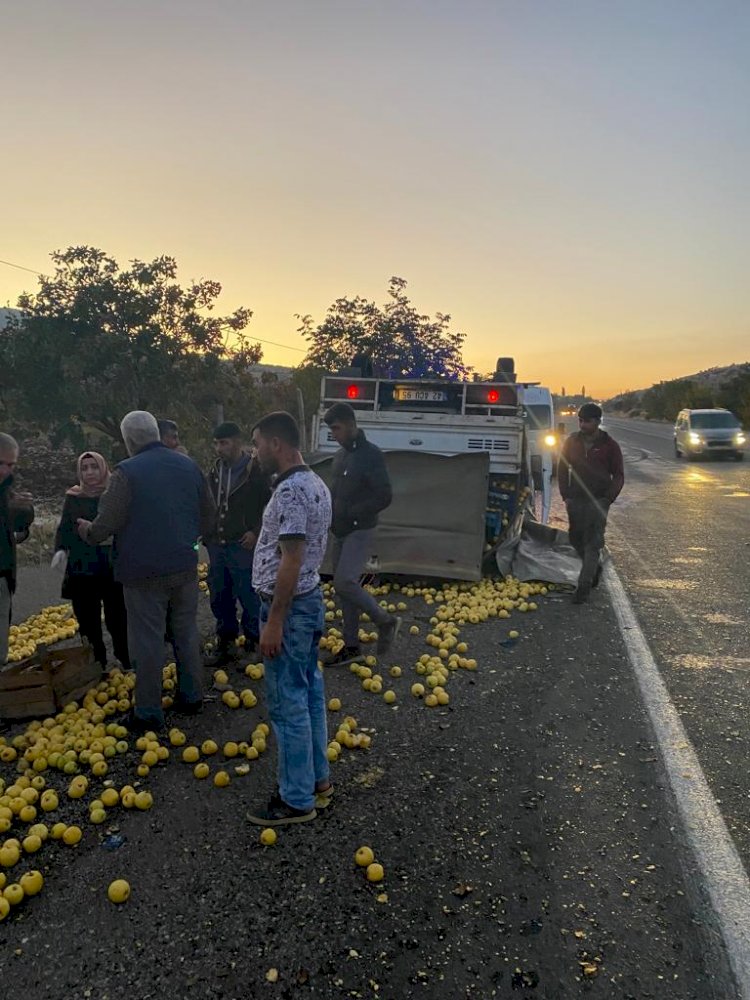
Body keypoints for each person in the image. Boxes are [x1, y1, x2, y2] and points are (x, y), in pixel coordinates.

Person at [77, 411, 216, 732]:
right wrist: (189, 540)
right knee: (185, 629)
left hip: (142, 574)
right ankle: (192, 695)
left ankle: (149, 711)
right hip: (184, 566)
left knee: (148, 640)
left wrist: (87, 529)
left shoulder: (126, 473)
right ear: (156, 432)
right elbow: (208, 518)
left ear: (128, 441)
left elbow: (105, 525)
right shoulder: (189, 465)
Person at [247, 411, 332, 827]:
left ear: (276, 444)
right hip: (308, 602)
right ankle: (318, 782)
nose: (255, 451)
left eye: (258, 443)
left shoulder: (291, 492)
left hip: (292, 608)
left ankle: (296, 799)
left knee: (287, 704)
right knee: (309, 693)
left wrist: (274, 621)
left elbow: (292, 559)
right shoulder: (314, 482)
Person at [322, 402, 399, 665]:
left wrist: (354, 512)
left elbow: (384, 495)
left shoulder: (371, 455)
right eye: (331, 429)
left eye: (337, 428)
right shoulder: (341, 455)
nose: (334, 434)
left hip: (360, 528)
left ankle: (386, 621)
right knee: (343, 588)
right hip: (340, 529)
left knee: (345, 582)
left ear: (352, 425)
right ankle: (351, 646)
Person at [52, 452, 130, 670]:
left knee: (119, 618)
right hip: (82, 568)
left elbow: (124, 524)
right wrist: (60, 550)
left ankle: (126, 658)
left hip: (112, 567)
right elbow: (65, 527)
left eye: (94, 467)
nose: (89, 473)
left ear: (103, 468)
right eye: (84, 468)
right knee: (87, 621)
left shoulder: (114, 495)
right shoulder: (74, 496)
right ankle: (97, 663)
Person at [205, 421, 270, 664]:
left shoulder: (256, 471)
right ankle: (226, 640)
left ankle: (254, 642)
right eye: (216, 444)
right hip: (217, 542)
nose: (219, 449)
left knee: (248, 593)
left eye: (224, 443)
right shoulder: (214, 470)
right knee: (219, 593)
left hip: (243, 543)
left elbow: (270, 505)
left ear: (238, 442)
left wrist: (256, 531)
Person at [558, 403, 624, 603]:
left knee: (593, 543)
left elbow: (619, 475)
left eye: (586, 421)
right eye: (580, 420)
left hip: (598, 501)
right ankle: (594, 567)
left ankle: (583, 587)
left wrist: (608, 499)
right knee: (575, 539)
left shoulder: (610, 446)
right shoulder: (572, 441)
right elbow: (562, 468)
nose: (582, 424)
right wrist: (566, 495)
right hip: (576, 500)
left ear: (597, 421)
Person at [0, 432, 34, 668]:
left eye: (10, 465)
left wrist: (24, 512)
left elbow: (15, 533)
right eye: (0, 464)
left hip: (3, 575)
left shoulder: (6, 490)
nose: (5, 471)